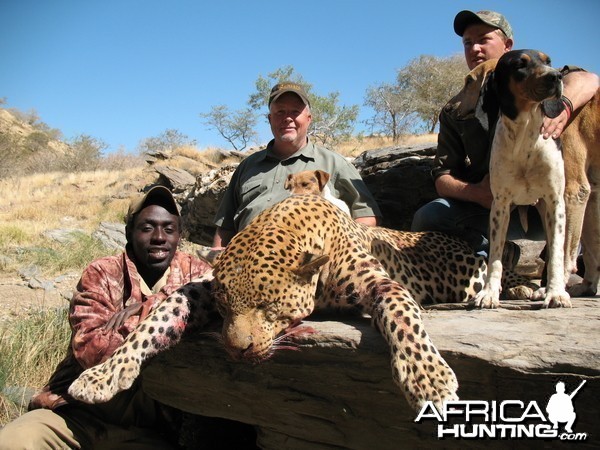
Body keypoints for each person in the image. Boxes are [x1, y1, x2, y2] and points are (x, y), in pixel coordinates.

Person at [0, 185, 212, 449]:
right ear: (129, 232)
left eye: (169, 229)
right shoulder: (101, 272)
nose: (159, 237)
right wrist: (169, 317)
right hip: (78, 416)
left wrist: (151, 305)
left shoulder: (198, 271)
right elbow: (91, 349)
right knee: (13, 441)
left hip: (150, 429)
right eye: (147, 227)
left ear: (180, 235)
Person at [411, 10, 600, 264]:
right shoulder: (457, 109)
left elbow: (588, 79)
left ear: (507, 45)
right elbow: (442, 175)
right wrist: (478, 192)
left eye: (483, 39)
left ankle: (565, 266)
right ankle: (492, 258)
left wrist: (562, 108)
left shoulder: (540, 81)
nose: (475, 48)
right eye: (468, 42)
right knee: (429, 217)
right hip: (494, 207)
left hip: (546, 207)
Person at [212, 82, 382, 247]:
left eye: (295, 111)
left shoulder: (334, 163)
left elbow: (366, 215)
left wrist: (343, 251)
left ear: (308, 119)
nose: (287, 118)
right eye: (280, 112)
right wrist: (215, 264)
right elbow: (225, 227)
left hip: (311, 265)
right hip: (248, 263)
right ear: (270, 119)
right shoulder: (247, 166)